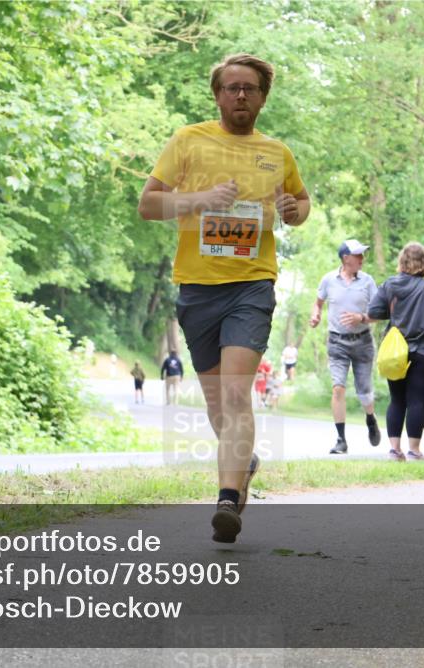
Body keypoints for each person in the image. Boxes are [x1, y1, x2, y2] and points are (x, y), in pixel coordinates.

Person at [138, 53, 311, 543]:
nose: (240, 95)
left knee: (237, 393)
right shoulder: (188, 141)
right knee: (218, 406)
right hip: (197, 287)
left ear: (262, 97)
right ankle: (243, 463)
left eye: (249, 88)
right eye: (231, 87)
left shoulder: (276, 152)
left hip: (252, 284)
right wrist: (197, 200)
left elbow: (301, 203)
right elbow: (149, 204)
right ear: (217, 95)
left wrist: (290, 209)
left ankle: (227, 501)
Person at [367, 242, 424, 462]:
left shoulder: (389, 285)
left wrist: (395, 312)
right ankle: (414, 450)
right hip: (423, 350)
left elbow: (374, 311)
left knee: (397, 400)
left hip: (395, 351)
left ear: (402, 262)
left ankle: (395, 450)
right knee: (416, 400)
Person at [310, 239, 381, 453]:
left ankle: (370, 418)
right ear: (346, 259)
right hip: (336, 341)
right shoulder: (328, 280)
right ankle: (341, 440)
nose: (362, 259)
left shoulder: (367, 281)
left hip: (362, 341)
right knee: (338, 387)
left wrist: (361, 317)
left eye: (362, 255)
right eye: (358, 255)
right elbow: (318, 302)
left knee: (364, 392)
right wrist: (316, 315)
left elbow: (378, 313)